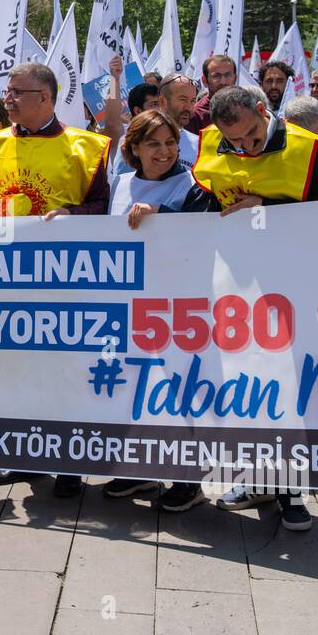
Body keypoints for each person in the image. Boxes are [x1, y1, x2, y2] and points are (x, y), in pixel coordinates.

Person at [192, 86, 318, 530]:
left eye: (253, 136)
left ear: (263, 111)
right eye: (235, 141)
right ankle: (256, 479)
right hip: (234, 290)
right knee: (247, 387)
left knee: (287, 390)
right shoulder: (210, 142)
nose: (246, 147)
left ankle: (292, 492)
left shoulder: (307, 147)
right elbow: (204, 202)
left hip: (292, 289)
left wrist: (266, 207)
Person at [0, 63, 111, 498]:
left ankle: (69, 462)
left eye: (17, 92)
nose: (7, 99)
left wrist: (73, 214)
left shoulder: (89, 147)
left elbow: (105, 206)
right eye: (8, 91)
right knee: (14, 370)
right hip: (3, 279)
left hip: (66, 280)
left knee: (66, 371)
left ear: (45, 98)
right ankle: (22, 455)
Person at [100, 109, 214, 511]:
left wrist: (162, 217)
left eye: (170, 142)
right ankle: (142, 469)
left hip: (177, 310)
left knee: (178, 391)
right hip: (130, 306)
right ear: (133, 148)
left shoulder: (193, 186)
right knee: (135, 389)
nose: (164, 151)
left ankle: (189, 479)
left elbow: (203, 234)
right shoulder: (120, 184)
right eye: (153, 144)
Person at [189, 54, 238, 133]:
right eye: (216, 76)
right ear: (205, 81)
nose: (223, 82)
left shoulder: (247, 109)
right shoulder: (195, 115)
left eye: (227, 75)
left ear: (235, 78)